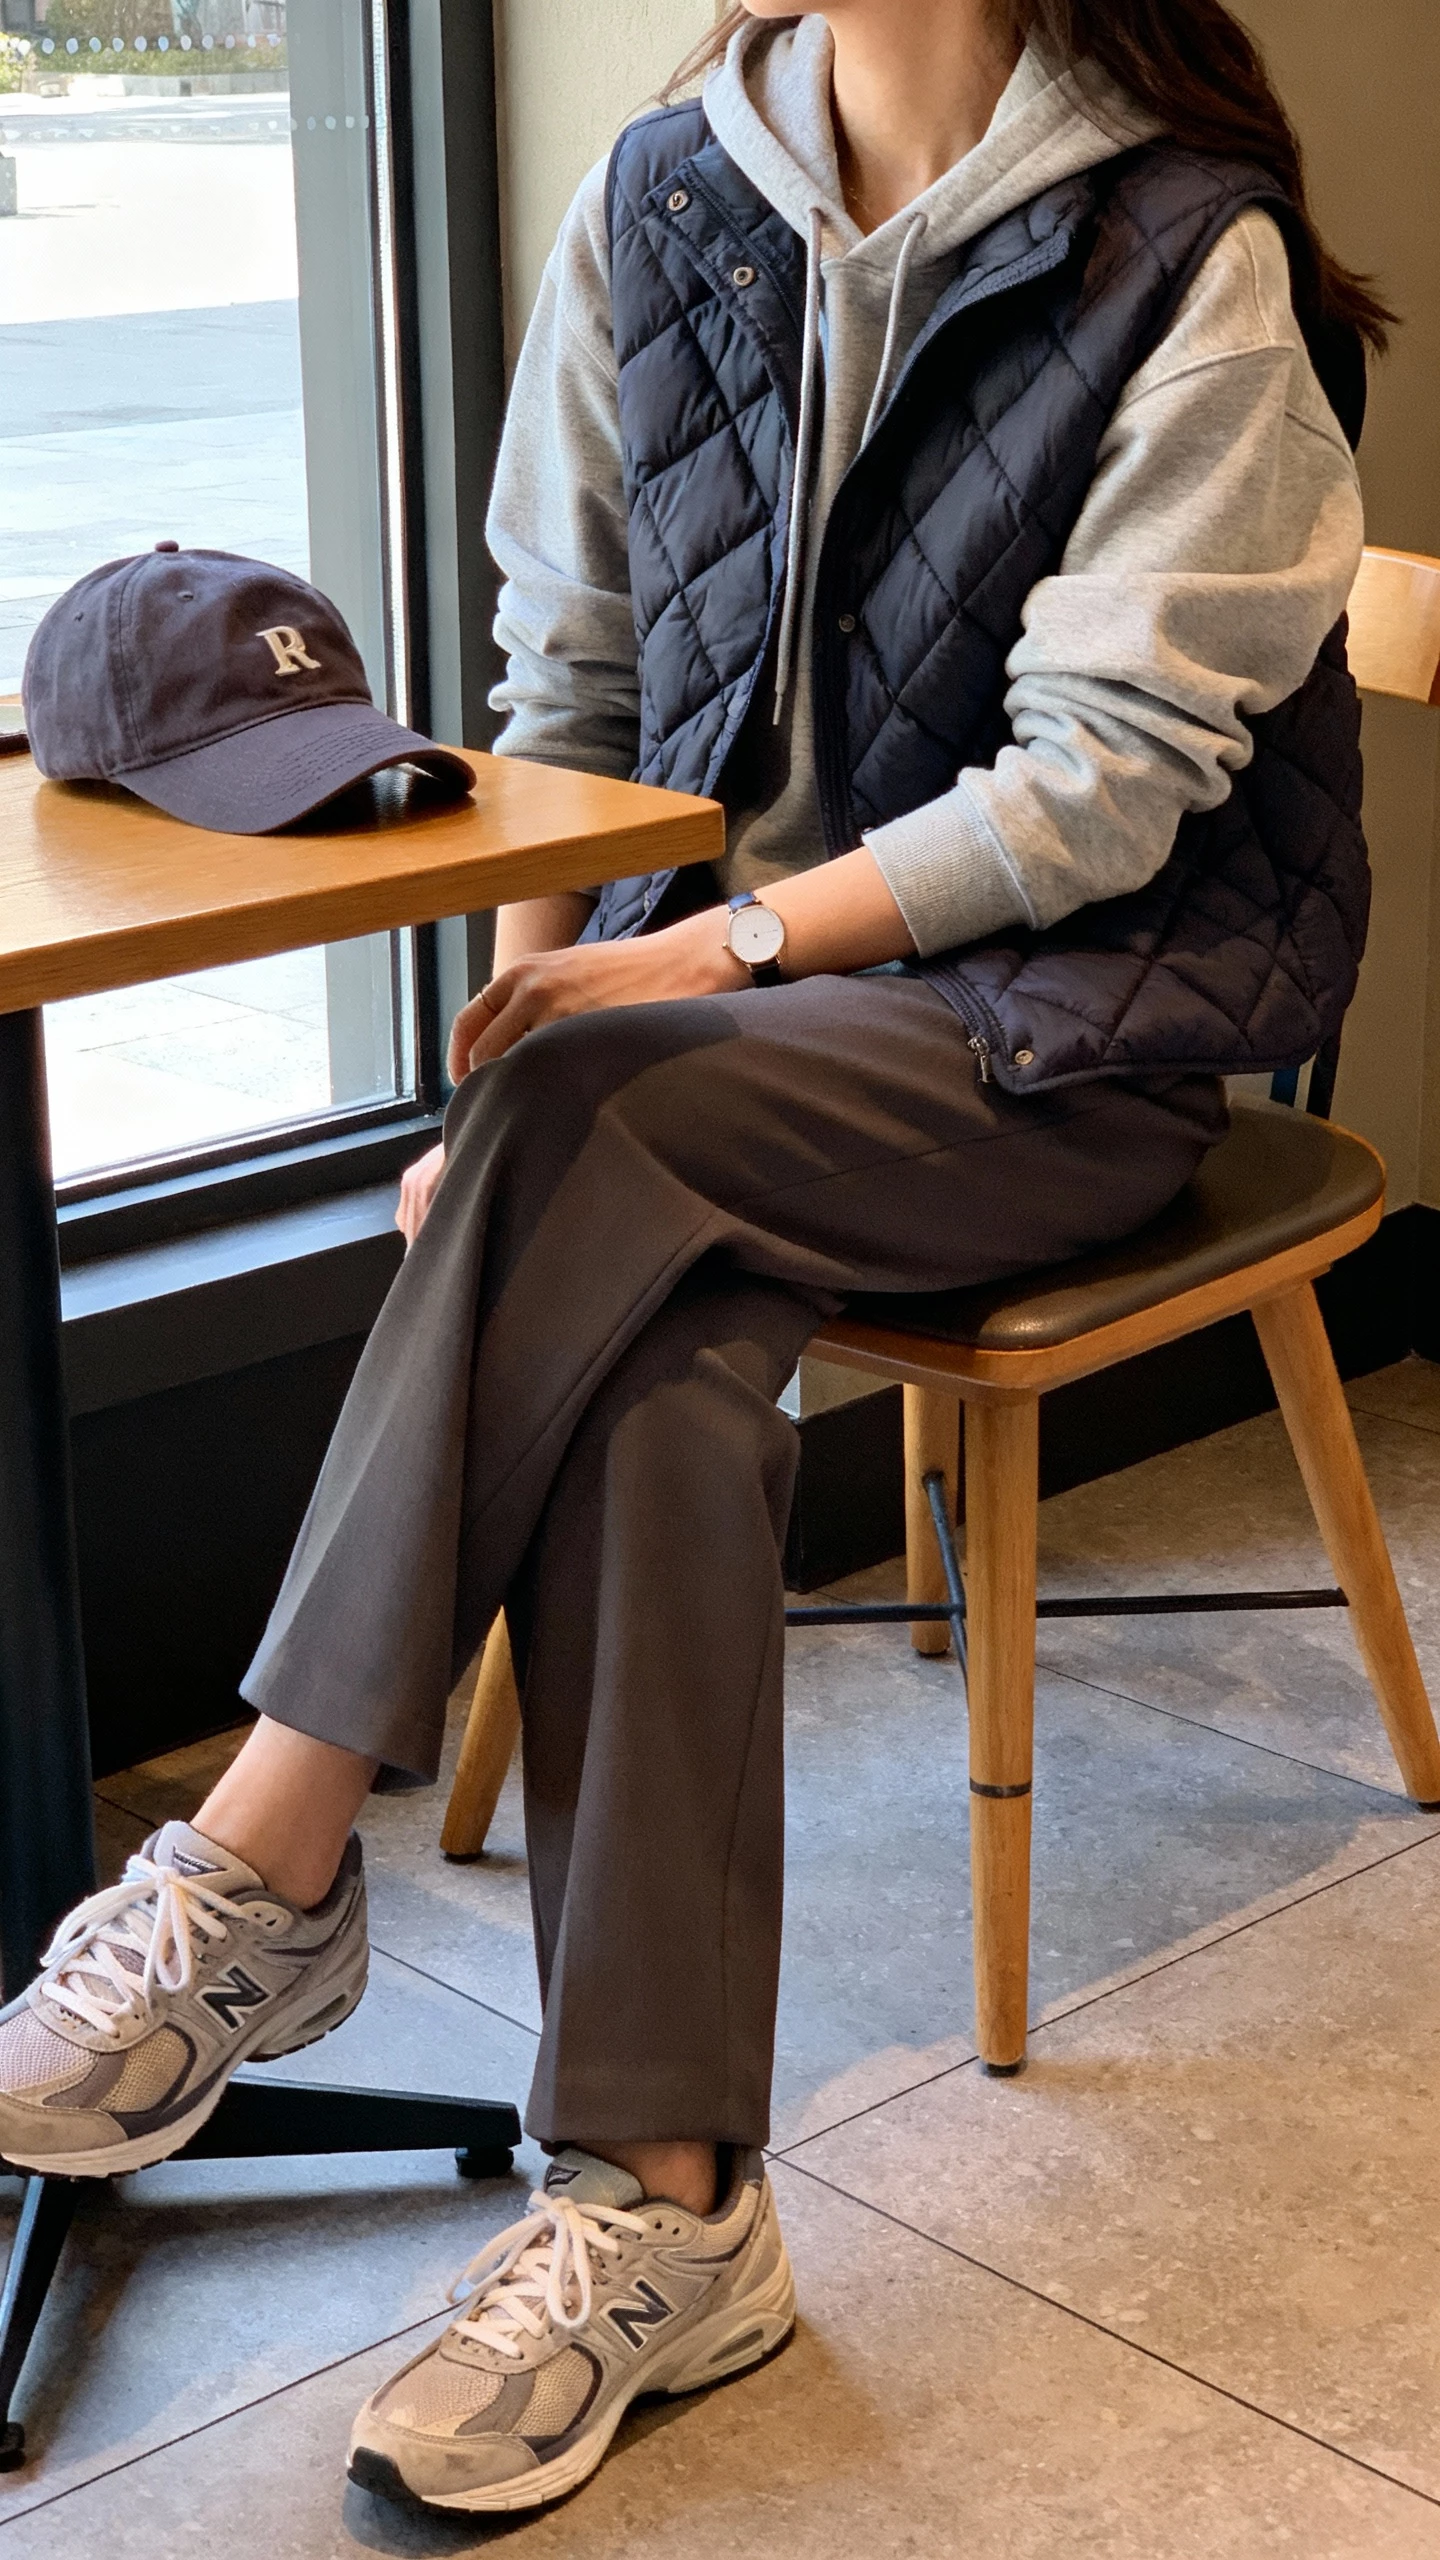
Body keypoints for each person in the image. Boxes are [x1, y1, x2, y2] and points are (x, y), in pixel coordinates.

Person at [0, 0, 1382, 2518]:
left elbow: (1103, 790)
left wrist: (684, 982)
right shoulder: (665, 196)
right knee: (652, 1356)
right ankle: (671, 2204)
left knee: (620, 1149)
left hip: (1063, 1040)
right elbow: (580, 676)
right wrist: (504, 1074)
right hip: (687, 1081)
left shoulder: (1193, 248)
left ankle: (260, 1860)